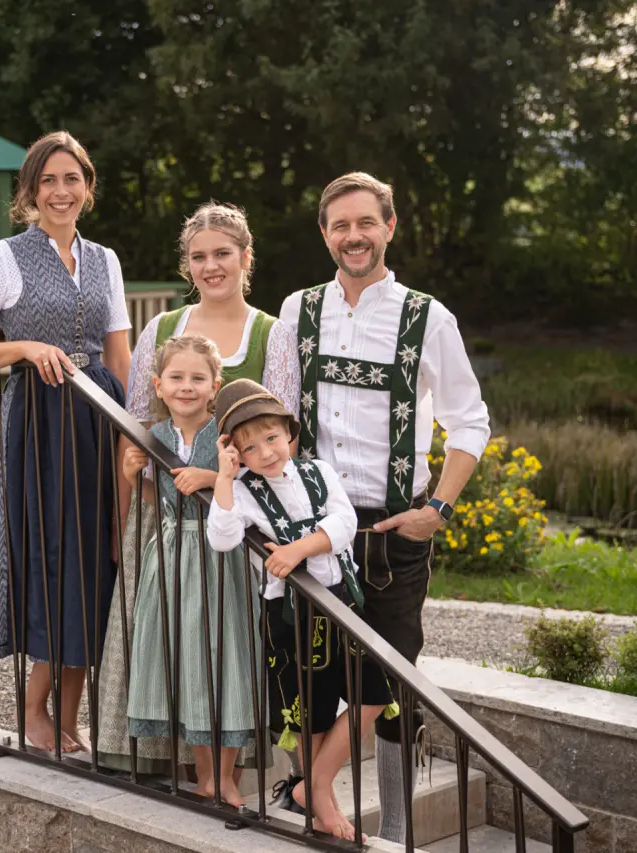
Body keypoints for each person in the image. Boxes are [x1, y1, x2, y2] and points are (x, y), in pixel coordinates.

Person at [278, 172, 490, 844]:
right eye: (340, 225)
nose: (353, 236)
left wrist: (440, 509)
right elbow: (275, 410)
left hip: (391, 534)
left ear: (389, 227)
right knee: (308, 675)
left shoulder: (428, 317)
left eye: (365, 222)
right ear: (324, 233)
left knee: (390, 683)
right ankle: (315, 805)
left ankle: (392, 831)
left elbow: (470, 422)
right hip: (311, 531)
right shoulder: (297, 310)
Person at [0, 131, 132, 754]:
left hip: (100, 421)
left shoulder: (105, 259)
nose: (60, 192)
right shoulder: (2, 256)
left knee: (96, 566)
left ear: (87, 187)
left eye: (71, 179)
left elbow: (120, 355)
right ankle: (34, 711)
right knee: (56, 565)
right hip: (40, 428)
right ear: (30, 190)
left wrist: (133, 437)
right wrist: (23, 347)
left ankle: (69, 718)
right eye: (47, 181)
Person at [95, 202, 297, 773]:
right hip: (159, 522)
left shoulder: (272, 335)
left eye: (222, 254)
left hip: (237, 525)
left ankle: (226, 769)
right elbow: (133, 433)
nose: (211, 266)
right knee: (161, 638)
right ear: (188, 264)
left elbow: (283, 445)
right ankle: (166, 761)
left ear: (245, 258)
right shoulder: (162, 329)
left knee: (222, 644)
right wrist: (121, 519)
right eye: (199, 256)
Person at [206, 378, 390, 841]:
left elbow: (345, 521)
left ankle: (316, 784)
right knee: (312, 713)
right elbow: (223, 538)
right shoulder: (243, 489)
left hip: (341, 602)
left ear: (288, 432)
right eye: (250, 447)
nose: (266, 452)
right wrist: (224, 477)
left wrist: (299, 549)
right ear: (236, 453)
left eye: (272, 438)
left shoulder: (318, 472)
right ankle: (324, 806)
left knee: (374, 694)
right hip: (291, 618)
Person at [119, 335, 257, 806]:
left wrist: (216, 477)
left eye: (197, 378)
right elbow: (153, 499)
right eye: (176, 378)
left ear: (214, 385)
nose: (186, 387)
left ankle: (229, 775)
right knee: (189, 663)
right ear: (159, 385)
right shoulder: (153, 437)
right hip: (173, 555)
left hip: (222, 558)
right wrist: (132, 472)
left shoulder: (226, 434)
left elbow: (253, 488)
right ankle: (204, 776)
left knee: (227, 658)